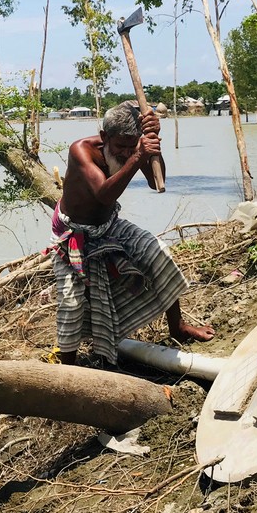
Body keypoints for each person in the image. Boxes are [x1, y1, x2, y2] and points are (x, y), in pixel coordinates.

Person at [49, 100, 215, 365]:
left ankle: (177, 327)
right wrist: (138, 156)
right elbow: (104, 194)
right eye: (120, 147)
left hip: (108, 224)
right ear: (105, 137)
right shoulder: (81, 151)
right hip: (73, 233)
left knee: (157, 252)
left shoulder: (136, 147)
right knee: (71, 302)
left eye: (131, 146)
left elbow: (154, 181)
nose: (126, 153)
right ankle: (68, 366)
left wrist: (152, 142)